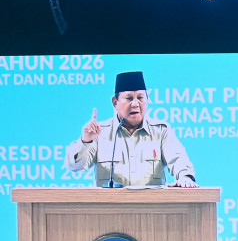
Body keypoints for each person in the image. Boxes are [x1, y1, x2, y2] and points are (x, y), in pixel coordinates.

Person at [66, 70, 199, 187]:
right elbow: (75, 167)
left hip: (151, 210)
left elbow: (178, 159)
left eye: (140, 98)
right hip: (109, 211)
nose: (135, 104)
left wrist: (185, 177)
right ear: (115, 102)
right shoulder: (100, 132)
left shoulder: (161, 131)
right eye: (129, 98)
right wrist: (86, 141)